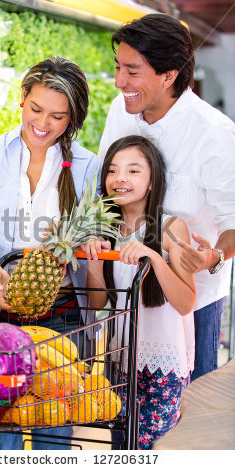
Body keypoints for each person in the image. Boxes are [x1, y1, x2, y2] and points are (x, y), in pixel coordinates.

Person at [0, 56, 101, 450]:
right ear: (22, 98)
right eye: (36, 109)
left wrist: (68, 247)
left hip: (64, 314)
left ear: (72, 118)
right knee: (2, 422)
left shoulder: (89, 166)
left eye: (58, 116)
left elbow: (98, 235)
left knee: (54, 421)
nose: (43, 123)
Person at [98, 14, 235, 381]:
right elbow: (106, 188)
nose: (119, 82)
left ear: (169, 75)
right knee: (123, 411)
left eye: (132, 71)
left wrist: (215, 256)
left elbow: (232, 220)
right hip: (127, 292)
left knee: (187, 411)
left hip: (189, 302)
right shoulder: (119, 111)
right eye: (117, 68)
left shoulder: (215, 134)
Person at [86, 135, 196, 449]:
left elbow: (186, 302)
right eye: (112, 170)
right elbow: (98, 302)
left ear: (152, 181)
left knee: (153, 448)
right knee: (122, 445)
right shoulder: (105, 228)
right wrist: (94, 261)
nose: (120, 177)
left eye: (133, 170)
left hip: (161, 363)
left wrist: (154, 258)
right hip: (118, 358)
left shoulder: (170, 227)